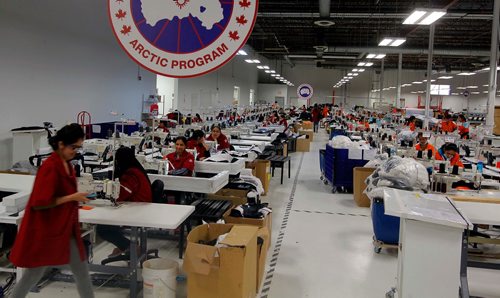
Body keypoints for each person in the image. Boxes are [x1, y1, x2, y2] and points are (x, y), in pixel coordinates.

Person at [10, 124, 94, 298]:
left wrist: (74, 198)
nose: (76, 151)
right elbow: (40, 203)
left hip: (62, 229)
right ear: (61, 144)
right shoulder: (51, 167)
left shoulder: (67, 165)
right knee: (32, 275)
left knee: (81, 271)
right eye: (73, 147)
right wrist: (72, 198)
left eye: (79, 147)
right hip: (45, 230)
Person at [96, 147, 152, 257]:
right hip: (140, 207)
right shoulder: (136, 170)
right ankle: (126, 246)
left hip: (137, 210)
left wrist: (102, 194)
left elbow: (121, 195)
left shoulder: (131, 175)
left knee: (103, 228)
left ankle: (129, 247)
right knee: (109, 221)